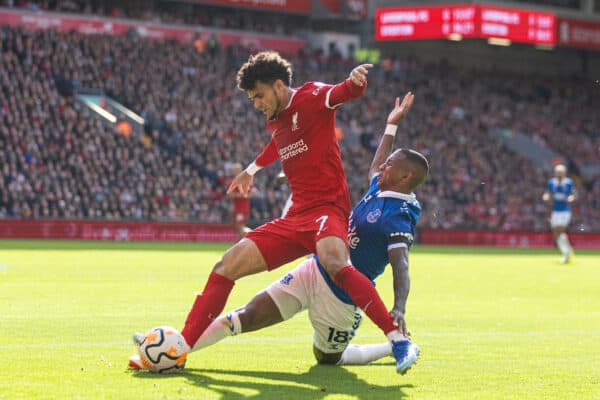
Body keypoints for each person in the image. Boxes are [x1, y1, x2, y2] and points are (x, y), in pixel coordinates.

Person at [133, 51, 413, 374]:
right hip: (295, 218)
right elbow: (278, 144)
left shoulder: (312, 97)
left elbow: (341, 93)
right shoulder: (276, 120)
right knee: (226, 265)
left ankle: (396, 339)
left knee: (335, 261)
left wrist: (354, 83)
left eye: (259, 96)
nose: (256, 104)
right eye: (252, 99)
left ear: (279, 86)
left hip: (327, 209)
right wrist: (252, 169)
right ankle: (177, 349)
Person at [542, 164, 576, 264]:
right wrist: (546, 196)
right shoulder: (551, 182)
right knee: (556, 233)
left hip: (565, 210)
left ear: (564, 173)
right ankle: (568, 250)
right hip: (555, 211)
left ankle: (566, 255)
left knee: (559, 230)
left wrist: (571, 198)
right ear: (555, 173)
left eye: (561, 172)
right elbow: (547, 193)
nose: (559, 174)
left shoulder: (569, 183)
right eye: (557, 172)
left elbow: (573, 194)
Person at [227, 162, 253, 238]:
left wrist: (239, 195)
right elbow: (229, 195)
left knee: (240, 227)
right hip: (236, 208)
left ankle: (249, 238)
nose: (235, 171)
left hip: (242, 208)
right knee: (238, 228)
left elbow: (252, 193)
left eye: (237, 169)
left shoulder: (245, 180)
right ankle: (243, 243)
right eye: (234, 169)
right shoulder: (232, 181)